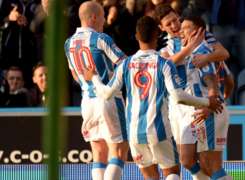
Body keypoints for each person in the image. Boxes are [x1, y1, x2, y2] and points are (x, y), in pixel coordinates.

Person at [83, 16, 221, 180]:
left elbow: (106, 94)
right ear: (157, 35)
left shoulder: (126, 64)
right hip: (159, 130)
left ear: (136, 36)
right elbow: (178, 97)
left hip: (134, 133)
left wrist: (93, 77)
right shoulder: (164, 63)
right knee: (171, 173)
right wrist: (207, 102)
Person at [154, 4, 229, 179]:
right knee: (187, 161)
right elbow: (167, 63)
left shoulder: (200, 40)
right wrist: (190, 47)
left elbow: (222, 56)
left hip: (200, 104)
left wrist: (213, 98)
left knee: (209, 163)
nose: (175, 26)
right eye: (169, 24)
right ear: (161, 28)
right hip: (178, 110)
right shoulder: (165, 49)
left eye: (176, 20)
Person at [64, 2, 128, 180]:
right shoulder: (101, 38)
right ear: (93, 17)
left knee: (98, 152)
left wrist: (89, 84)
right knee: (119, 149)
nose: (104, 21)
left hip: (87, 101)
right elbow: (125, 64)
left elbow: (75, 75)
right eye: (102, 16)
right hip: (108, 98)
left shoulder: (68, 43)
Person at [179, 15, 233, 179]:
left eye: (186, 28)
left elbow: (211, 80)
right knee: (193, 161)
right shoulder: (207, 52)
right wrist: (223, 97)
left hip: (209, 110)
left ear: (198, 31)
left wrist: (211, 103)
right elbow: (230, 80)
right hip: (208, 109)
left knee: (211, 165)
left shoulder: (201, 53)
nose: (181, 32)